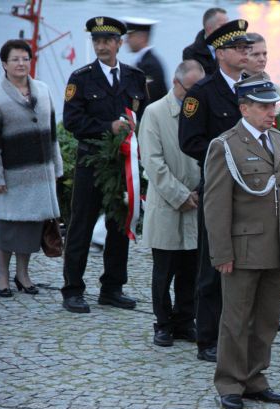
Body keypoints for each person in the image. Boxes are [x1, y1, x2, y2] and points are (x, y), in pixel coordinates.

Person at [204, 74, 280, 409]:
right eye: (262, 106)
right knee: (236, 319)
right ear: (243, 107)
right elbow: (216, 206)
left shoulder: (279, 140)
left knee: (267, 319)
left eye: (272, 104)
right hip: (243, 250)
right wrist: (222, 253)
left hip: (276, 247)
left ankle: (256, 378)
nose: (270, 110)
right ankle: (230, 382)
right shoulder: (225, 145)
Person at [178, 19, 253, 362]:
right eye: (239, 48)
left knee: (250, 260)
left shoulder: (256, 88)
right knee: (214, 262)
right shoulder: (202, 93)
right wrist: (228, 151)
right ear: (220, 53)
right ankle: (207, 338)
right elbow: (190, 142)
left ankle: (240, 331)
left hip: (255, 188)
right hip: (220, 186)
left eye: (247, 47)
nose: (245, 52)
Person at [61, 16, 147, 313]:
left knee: (119, 226)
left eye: (107, 41)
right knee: (81, 225)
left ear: (119, 43)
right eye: (96, 41)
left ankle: (112, 287)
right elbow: (72, 121)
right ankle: (72, 289)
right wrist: (106, 127)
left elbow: (143, 117)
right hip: (91, 161)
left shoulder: (135, 77)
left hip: (123, 164)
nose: (101, 46)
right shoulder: (81, 78)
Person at [139, 60, 205, 347]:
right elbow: (152, 162)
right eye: (192, 88)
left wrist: (201, 192)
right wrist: (180, 195)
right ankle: (163, 322)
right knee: (164, 269)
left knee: (191, 269)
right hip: (167, 203)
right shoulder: (154, 113)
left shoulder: (201, 111)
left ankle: (184, 319)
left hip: (197, 200)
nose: (196, 94)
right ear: (177, 83)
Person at [0, 39, 63, 297]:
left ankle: (23, 274)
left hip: (40, 173)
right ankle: (2, 275)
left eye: (25, 58)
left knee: (30, 227)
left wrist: (56, 166)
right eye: (15, 59)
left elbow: (52, 132)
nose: (21, 64)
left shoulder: (43, 90)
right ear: (4, 64)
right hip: (10, 175)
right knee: (7, 227)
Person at [124, 17, 168, 105]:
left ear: (142, 38)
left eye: (130, 36)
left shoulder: (150, 65)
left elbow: (149, 98)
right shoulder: (143, 61)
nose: (126, 41)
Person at [182, 7, 228, 76]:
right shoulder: (191, 53)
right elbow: (196, 81)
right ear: (209, 27)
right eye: (223, 26)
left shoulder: (232, 47)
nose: (228, 29)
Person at [245, 33, 280, 101]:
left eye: (264, 54)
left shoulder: (275, 90)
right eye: (255, 54)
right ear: (242, 56)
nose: (262, 59)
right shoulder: (232, 87)